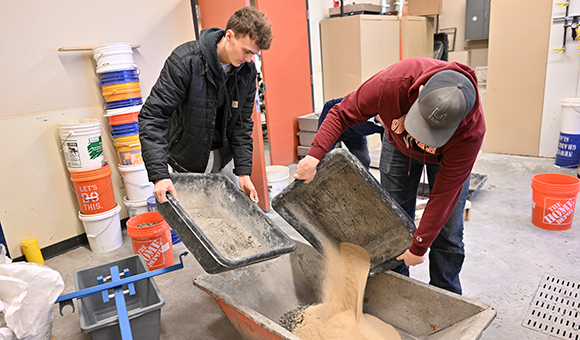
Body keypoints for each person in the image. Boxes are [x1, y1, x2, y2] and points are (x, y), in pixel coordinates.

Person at [295, 57, 485, 295]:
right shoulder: (393, 83)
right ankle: (396, 292)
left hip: (444, 158)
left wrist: (419, 246)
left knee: (449, 233)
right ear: (420, 92)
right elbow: (340, 113)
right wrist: (314, 156)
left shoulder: (471, 131)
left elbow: (444, 195)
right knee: (392, 224)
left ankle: (445, 297)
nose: (422, 139)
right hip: (398, 147)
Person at [139, 6, 273, 204]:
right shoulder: (186, 61)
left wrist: (244, 172)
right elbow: (153, 117)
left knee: (229, 216)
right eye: (246, 51)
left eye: (253, 54)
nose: (248, 59)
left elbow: (242, 124)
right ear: (229, 35)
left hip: (226, 155)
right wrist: (160, 175)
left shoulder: (247, 71)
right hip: (188, 156)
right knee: (197, 223)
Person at [318, 97, 384, 169]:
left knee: (363, 160)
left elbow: (388, 150)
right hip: (334, 126)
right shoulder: (361, 104)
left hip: (355, 134)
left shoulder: (389, 124)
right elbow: (330, 105)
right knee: (323, 159)